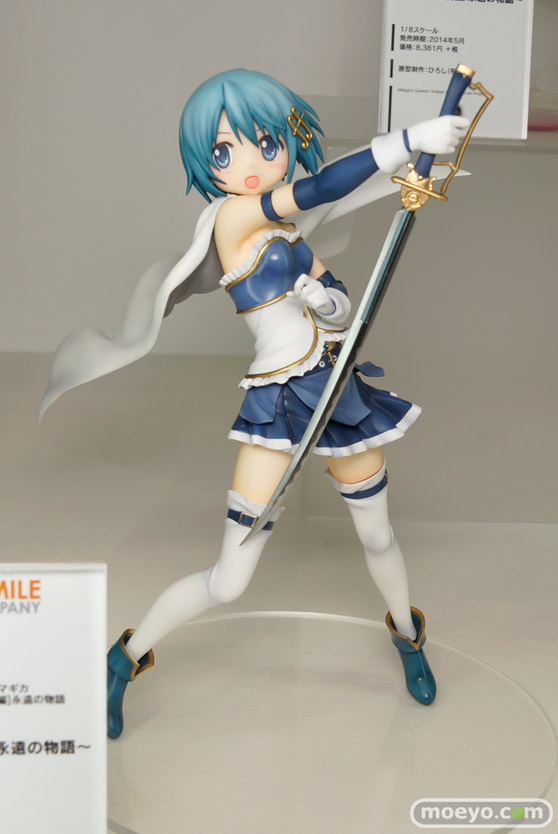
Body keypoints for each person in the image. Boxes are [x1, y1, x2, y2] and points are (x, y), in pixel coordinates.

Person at [39, 69, 468, 739]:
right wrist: (407, 140)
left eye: (265, 144)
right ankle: (122, 660)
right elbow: (319, 187)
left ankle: (408, 635)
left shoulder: (291, 236)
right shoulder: (233, 217)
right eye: (223, 151)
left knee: (378, 535)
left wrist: (328, 302)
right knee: (229, 579)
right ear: (206, 165)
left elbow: (343, 304)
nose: (248, 163)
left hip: (337, 391)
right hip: (276, 404)